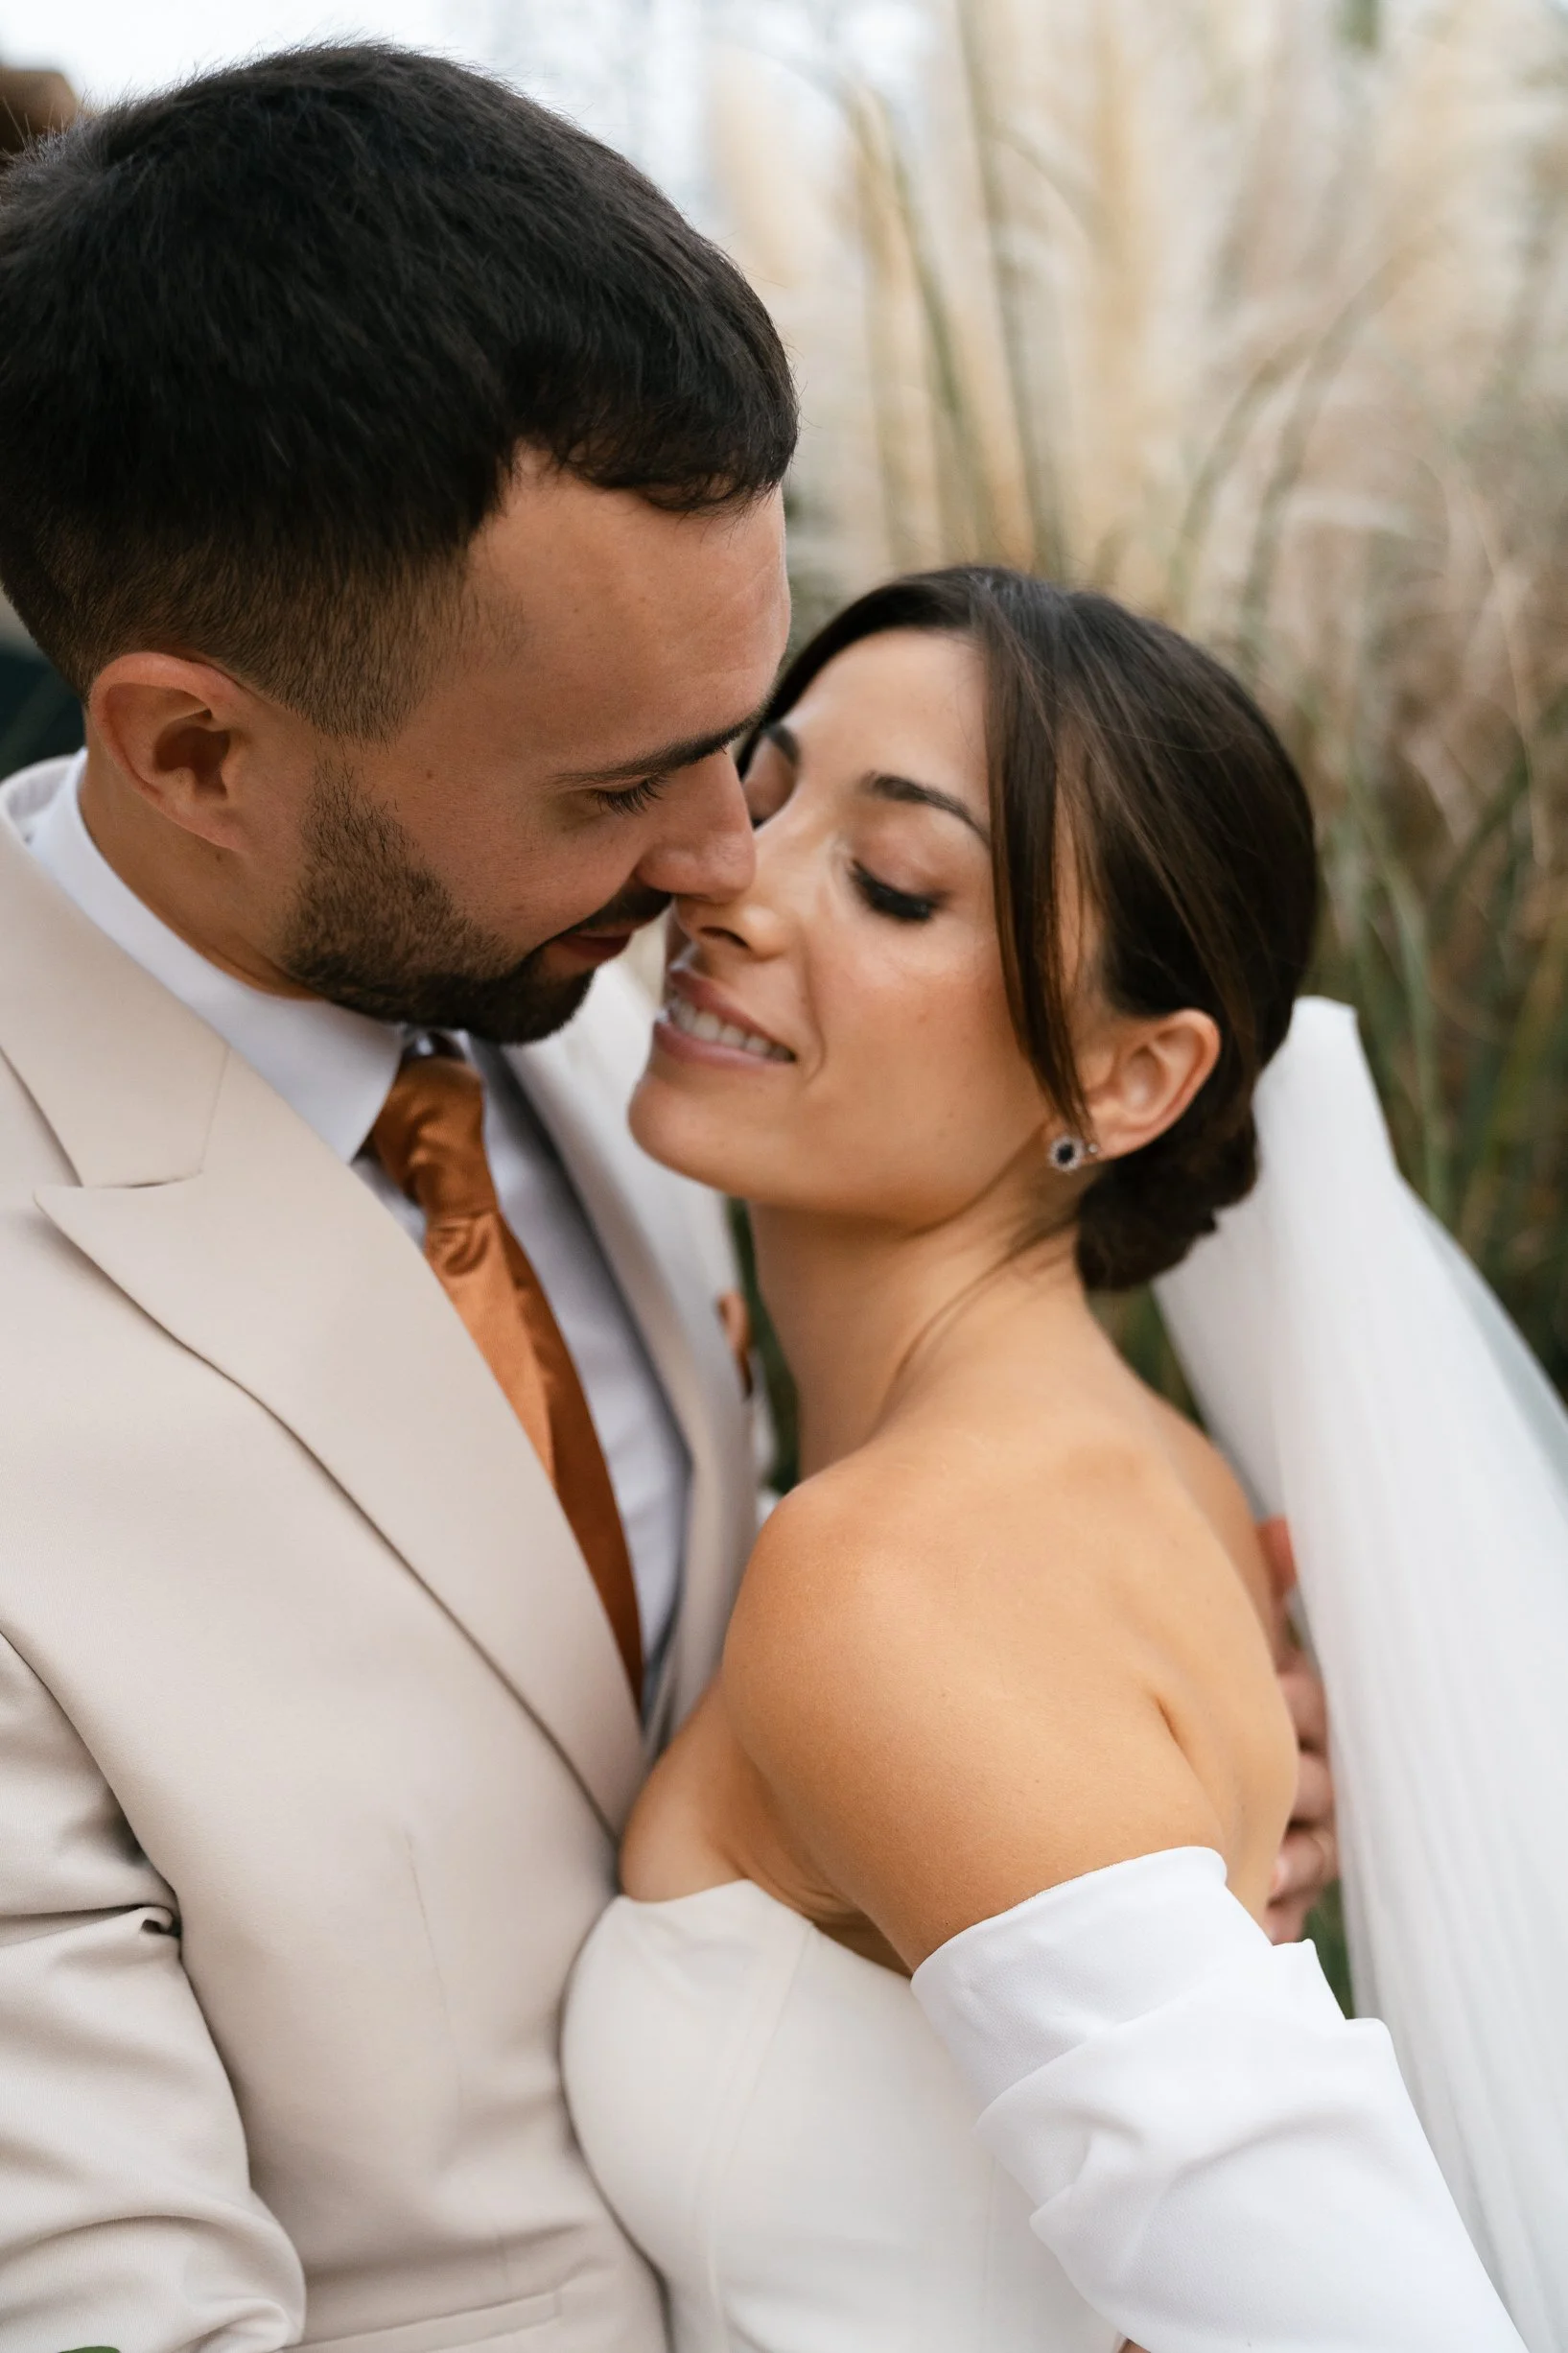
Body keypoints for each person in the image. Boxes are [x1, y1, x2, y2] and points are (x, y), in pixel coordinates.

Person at [0, 50, 1333, 2353]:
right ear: (193, 749)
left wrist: (1103, 1825)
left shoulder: (662, 1018)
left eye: (754, 730)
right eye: (625, 782)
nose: (729, 869)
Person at [562, 568, 1530, 2350]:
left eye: (895, 883)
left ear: (1131, 1077)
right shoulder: (1144, 1470)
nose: (729, 885)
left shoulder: (893, 1571)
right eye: (759, 792)